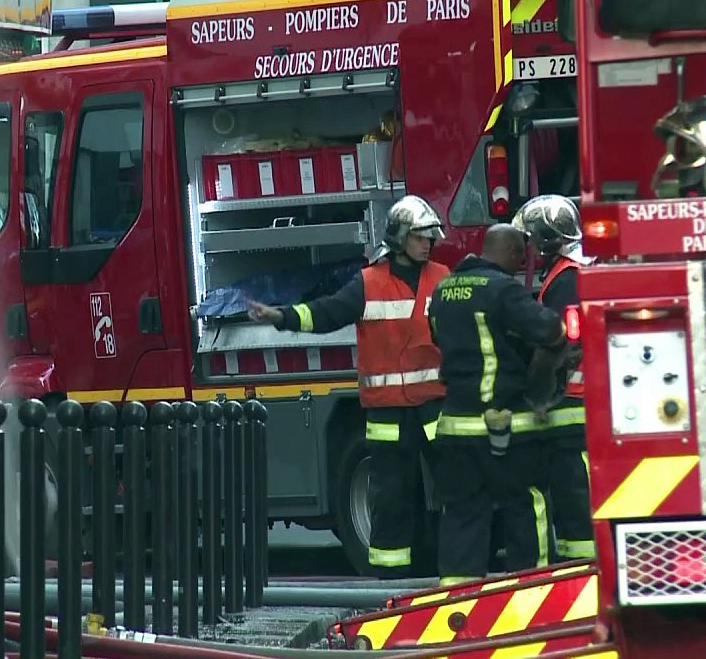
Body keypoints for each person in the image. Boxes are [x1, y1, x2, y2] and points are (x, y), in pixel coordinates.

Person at [248, 195, 450, 578]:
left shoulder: (442, 278)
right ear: (400, 238)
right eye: (420, 236)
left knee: (453, 491)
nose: (428, 243)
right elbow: (326, 313)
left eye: (431, 237)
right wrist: (283, 317)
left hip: (434, 406)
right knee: (390, 496)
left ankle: (452, 567)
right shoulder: (368, 283)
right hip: (388, 411)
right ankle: (393, 577)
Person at [427, 224, 567, 583]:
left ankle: (457, 599)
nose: (522, 263)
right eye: (520, 255)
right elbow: (549, 329)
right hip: (505, 426)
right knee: (527, 503)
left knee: (462, 513)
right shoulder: (502, 289)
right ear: (506, 251)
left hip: (455, 426)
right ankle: (535, 590)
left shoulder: (443, 290)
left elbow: (440, 337)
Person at [513, 195, 596, 561]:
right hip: (581, 400)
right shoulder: (576, 269)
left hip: (573, 402)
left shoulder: (566, 278)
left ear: (546, 238)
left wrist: (540, 392)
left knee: (573, 490)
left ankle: (579, 564)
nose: (528, 245)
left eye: (531, 237)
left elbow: (564, 341)